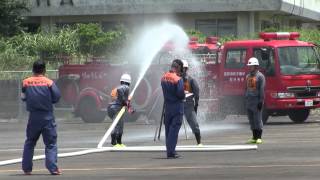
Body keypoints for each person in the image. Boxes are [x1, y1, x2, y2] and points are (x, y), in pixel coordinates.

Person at [21, 60, 61, 175]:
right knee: (50, 143)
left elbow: (23, 97)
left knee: (30, 142)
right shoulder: (49, 82)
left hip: (33, 117)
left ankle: (27, 169)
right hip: (47, 117)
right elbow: (57, 97)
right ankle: (53, 169)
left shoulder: (26, 82)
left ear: (33, 70)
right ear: (44, 70)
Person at [161, 59, 185, 159]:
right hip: (177, 106)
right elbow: (180, 93)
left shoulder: (163, 77)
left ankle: (169, 150)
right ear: (178, 68)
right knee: (174, 129)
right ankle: (171, 152)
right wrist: (183, 95)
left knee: (168, 129)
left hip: (167, 106)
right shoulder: (178, 79)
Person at [107, 73, 134, 147]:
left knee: (120, 125)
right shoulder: (124, 88)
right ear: (128, 82)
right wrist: (125, 101)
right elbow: (123, 100)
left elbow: (125, 102)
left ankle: (119, 143)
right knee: (117, 125)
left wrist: (130, 109)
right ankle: (114, 143)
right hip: (115, 109)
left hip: (113, 108)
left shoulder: (117, 89)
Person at [245, 57, 266, 144]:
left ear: (256, 66)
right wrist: (245, 98)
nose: (250, 67)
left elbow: (262, 89)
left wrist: (261, 101)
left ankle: (259, 137)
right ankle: (254, 137)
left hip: (256, 101)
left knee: (257, 119)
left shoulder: (260, 76)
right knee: (251, 120)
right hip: (249, 100)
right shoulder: (248, 76)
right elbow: (246, 88)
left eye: (252, 66)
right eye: (249, 66)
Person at [181, 60, 202, 146]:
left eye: (183, 69)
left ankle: (199, 142)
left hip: (188, 105)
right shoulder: (176, 80)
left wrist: (196, 105)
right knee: (173, 124)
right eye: (181, 69)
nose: (182, 71)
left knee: (194, 124)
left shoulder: (191, 80)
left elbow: (196, 93)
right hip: (178, 104)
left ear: (186, 69)